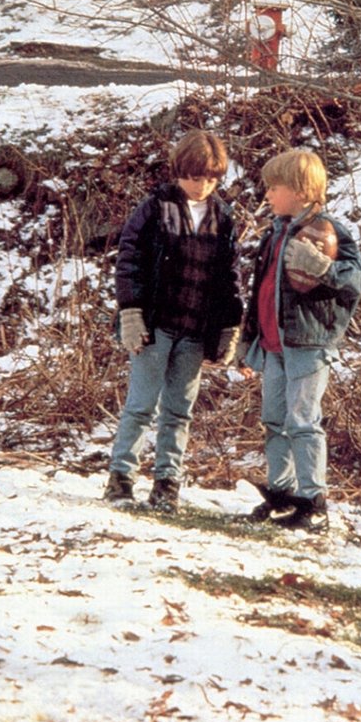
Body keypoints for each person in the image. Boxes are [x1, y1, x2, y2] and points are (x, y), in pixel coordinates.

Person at [105, 130, 243, 514]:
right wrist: (130, 312)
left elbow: (229, 278)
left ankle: (167, 483)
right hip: (154, 325)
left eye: (211, 178)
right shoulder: (153, 208)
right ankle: (121, 477)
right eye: (194, 177)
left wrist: (228, 326)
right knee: (141, 405)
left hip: (196, 330)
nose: (202, 186)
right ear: (178, 171)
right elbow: (128, 261)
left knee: (179, 410)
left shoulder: (224, 218)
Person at [238, 148, 361, 532]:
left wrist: (325, 268)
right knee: (273, 420)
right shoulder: (275, 231)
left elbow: (357, 281)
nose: (267, 195)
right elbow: (260, 290)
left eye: (273, 187)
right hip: (273, 345)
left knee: (303, 421)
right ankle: (282, 494)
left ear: (298, 189)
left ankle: (314, 500)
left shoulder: (329, 230)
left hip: (308, 345)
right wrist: (249, 342)